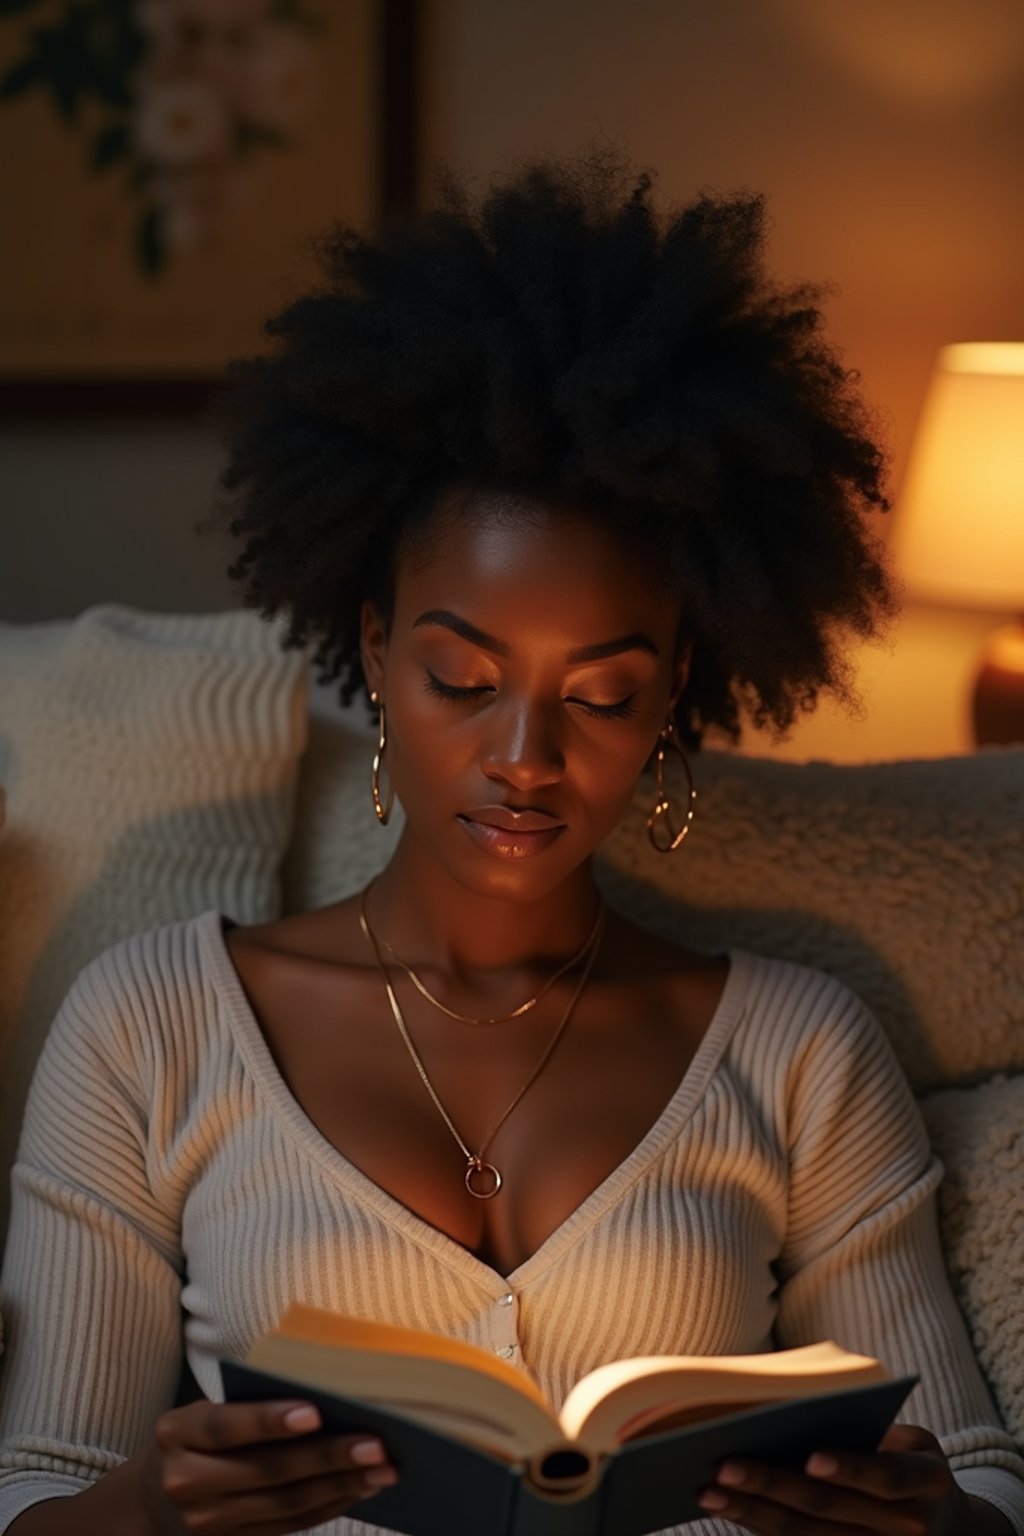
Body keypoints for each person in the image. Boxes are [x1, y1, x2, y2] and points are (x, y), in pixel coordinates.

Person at [1, 148, 1022, 1536]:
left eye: (600, 695)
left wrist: (924, 1517)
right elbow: (35, 1497)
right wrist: (151, 1504)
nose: (526, 756)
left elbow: (979, 1480)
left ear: (673, 696)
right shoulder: (152, 1028)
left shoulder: (796, 1050)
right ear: (372, 648)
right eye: (463, 680)